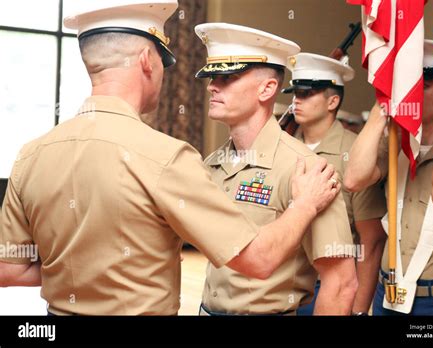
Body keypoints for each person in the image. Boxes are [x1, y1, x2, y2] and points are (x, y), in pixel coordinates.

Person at [0, 1, 341, 316]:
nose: (211, 87)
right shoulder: (167, 157)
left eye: (227, 77)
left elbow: (8, 268)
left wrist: (77, 276)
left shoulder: (30, 154)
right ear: (148, 61)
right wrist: (304, 205)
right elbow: (258, 258)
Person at [195, 23, 357, 316]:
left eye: (227, 77)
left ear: (267, 88)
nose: (212, 86)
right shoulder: (213, 163)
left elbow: (341, 283)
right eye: (211, 77)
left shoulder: (308, 170)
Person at [344, 40, 433, 315]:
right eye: (407, 88)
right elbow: (354, 178)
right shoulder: (393, 143)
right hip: (387, 292)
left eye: (423, 87)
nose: (412, 97)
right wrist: (383, 104)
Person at [282, 53, 387, 315]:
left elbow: (370, 240)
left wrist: (359, 310)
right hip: (277, 284)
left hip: (326, 285)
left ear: (333, 101)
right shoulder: (281, 147)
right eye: (295, 92)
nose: (297, 99)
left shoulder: (354, 155)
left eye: (307, 93)